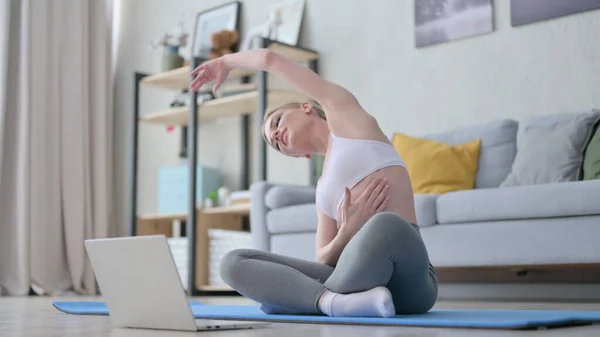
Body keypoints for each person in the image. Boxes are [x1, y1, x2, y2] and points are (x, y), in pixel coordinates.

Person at [189, 49, 438, 318]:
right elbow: (323, 258)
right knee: (233, 261)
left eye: (277, 122)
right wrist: (348, 231)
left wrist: (226, 61)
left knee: (385, 224)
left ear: (306, 108)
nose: (276, 135)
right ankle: (332, 303)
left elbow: (271, 59)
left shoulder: (346, 116)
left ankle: (298, 300)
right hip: (356, 278)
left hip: (408, 279)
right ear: (301, 156)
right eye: (274, 142)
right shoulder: (323, 190)